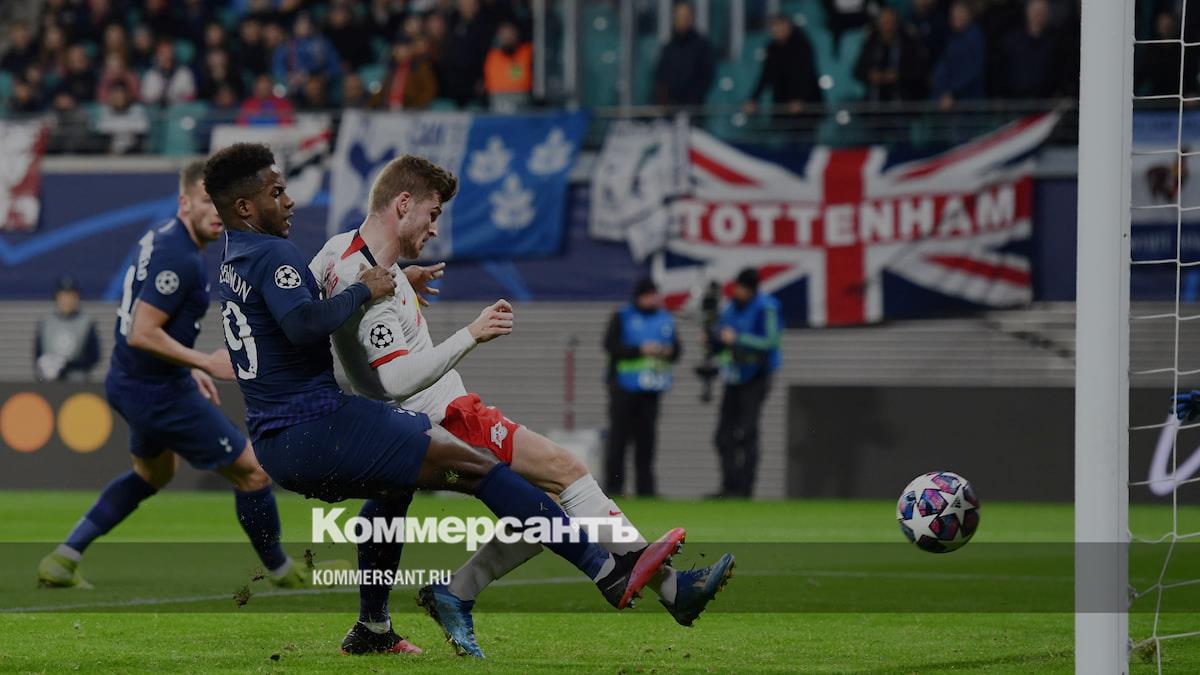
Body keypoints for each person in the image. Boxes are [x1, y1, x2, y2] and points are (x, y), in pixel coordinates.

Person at [207, 144, 684, 657]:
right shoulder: (278, 255)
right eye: (277, 192)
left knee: (394, 493)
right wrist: (387, 299)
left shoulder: (244, 258)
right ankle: (605, 571)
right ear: (245, 206)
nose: (289, 201)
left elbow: (308, 297)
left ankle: (373, 627)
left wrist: (395, 282)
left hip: (280, 439)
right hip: (318, 425)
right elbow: (309, 326)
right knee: (485, 471)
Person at [309, 158, 732, 657]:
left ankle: (435, 601)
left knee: (539, 502)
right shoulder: (372, 285)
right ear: (403, 204)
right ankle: (657, 582)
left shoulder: (338, 251)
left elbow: (314, 312)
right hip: (443, 415)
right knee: (565, 471)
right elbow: (395, 378)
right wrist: (472, 332)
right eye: (433, 213)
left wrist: (403, 280)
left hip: (408, 419)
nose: (435, 228)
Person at [36, 162, 308, 590]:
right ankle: (282, 571)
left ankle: (63, 558)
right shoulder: (179, 257)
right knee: (253, 471)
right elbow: (141, 331)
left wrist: (183, 365)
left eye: (220, 203)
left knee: (153, 474)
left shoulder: (163, 237)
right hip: (157, 391)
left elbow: (147, 328)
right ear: (184, 202)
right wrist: (203, 363)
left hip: (135, 379)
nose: (216, 212)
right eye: (205, 202)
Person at [603, 278, 679, 497]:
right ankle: (614, 488)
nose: (652, 299)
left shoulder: (665, 318)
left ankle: (646, 491)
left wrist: (666, 351)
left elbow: (677, 351)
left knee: (646, 442)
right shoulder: (623, 316)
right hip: (623, 388)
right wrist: (640, 350)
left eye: (654, 295)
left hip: (651, 390)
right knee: (618, 440)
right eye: (648, 295)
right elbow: (610, 345)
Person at [711, 268, 781, 498]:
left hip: (757, 375)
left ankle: (745, 490)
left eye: (740, 287)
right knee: (723, 435)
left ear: (750, 289)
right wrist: (714, 337)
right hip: (733, 375)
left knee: (747, 433)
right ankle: (729, 487)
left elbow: (771, 341)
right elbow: (720, 333)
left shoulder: (767, 307)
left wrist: (738, 338)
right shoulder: (731, 307)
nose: (736, 291)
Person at [744, 15, 821, 116]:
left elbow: (805, 73)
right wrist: (754, 99)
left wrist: (799, 98)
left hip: (805, 103)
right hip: (782, 101)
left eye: (780, 27)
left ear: (788, 26)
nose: (777, 31)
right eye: (774, 28)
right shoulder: (772, 48)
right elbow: (765, 75)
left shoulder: (801, 45)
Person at [853, 7, 930, 102]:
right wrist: (870, 75)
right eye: (884, 22)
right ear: (878, 24)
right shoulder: (871, 44)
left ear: (896, 23)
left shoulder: (908, 44)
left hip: (903, 100)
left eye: (890, 22)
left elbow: (920, 71)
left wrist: (899, 75)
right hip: (875, 101)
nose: (887, 26)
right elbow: (857, 71)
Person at [34, 275, 100, 382]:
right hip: (50, 383)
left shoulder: (87, 322)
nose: (67, 300)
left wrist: (67, 365)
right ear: (57, 297)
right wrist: (46, 366)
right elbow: (38, 354)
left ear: (77, 297)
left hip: (78, 383)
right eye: (63, 296)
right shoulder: (46, 322)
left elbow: (94, 356)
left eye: (71, 296)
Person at [651, 2, 715, 106]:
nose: (681, 21)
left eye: (685, 17)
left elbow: (707, 78)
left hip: (694, 108)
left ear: (692, 19)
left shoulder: (702, 47)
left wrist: (693, 99)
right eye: (678, 17)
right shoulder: (669, 47)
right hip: (671, 108)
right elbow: (661, 77)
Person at [931, 1, 986, 110]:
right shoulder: (951, 37)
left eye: (960, 13)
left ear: (969, 15)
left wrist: (953, 93)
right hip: (947, 100)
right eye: (954, 14)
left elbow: (972, 70)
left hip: (968, 103)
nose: (956, 17)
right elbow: (944, 66)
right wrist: (941, 90)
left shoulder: (975, 37)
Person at [483, 20, 532, 113]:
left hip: (524, 104)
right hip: (496, 104)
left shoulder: (527, 52)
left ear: (517, 35)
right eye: (504, 34)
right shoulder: (492, 56)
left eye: (510, 34)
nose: (507, 38)